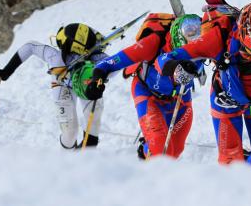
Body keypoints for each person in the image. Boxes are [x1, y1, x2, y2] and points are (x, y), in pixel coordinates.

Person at [155, 1, 251, 165]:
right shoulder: (217, 39)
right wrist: (176, 69)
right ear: (245, 34)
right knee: (230, 162)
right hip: (225, 102)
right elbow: (163, 59)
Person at [85, 14, 203, 159]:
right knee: (161, 152)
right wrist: (97, 79)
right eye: (191, 35)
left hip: (180, 97)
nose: (196, 44)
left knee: (175, 151)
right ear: (179, 38)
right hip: (148, 94)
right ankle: (147, 155)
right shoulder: (151, 44)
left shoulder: (202, 47)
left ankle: (148, 149)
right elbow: (110, 63)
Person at [0, 23, 107, 149]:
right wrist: (7, 70)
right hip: (62, 85)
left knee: (92, 135)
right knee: (70, 134)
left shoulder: (97, 55)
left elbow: (116, 64)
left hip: (86, 83)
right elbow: (30, 46)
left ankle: (85, 160)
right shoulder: (55, 57)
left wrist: (98, 81)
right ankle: (68, 159)